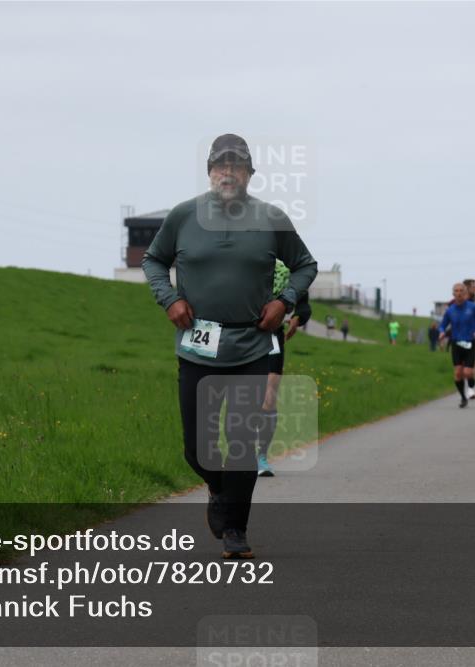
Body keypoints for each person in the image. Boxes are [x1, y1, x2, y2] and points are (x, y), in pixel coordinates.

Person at [142, 133, 318, 558]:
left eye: (236, 166)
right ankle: (220, 491)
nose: (228, 172)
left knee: (241, 441)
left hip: (252, 345)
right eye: (220, 165)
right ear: (209, 172)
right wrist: (171, 299)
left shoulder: (271, 218)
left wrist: (284, 301)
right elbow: (153, 261)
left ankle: (236, 529)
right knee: (197, 448)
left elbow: (304, 266)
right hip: (198, 345)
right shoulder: (183, 216)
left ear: (249, 173)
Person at [256, 259, 312, 477]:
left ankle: (261, 456)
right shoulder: (245, 256)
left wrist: (297, 318)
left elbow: (304, 304)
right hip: (240, 334)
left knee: (268, 398)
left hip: (272, 336)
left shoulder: (288, 267)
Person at [438, 283, 475, 408]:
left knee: (468, 372)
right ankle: (463, 397)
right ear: (453, 293)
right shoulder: (450, 310)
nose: (458, 293)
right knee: (458, 373)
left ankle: (471, 380)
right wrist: (442, 332)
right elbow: (442, 325)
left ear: (465, 293)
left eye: (461, 291)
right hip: (456, 343)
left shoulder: (473, 307)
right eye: (456, 291)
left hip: (470, 342)